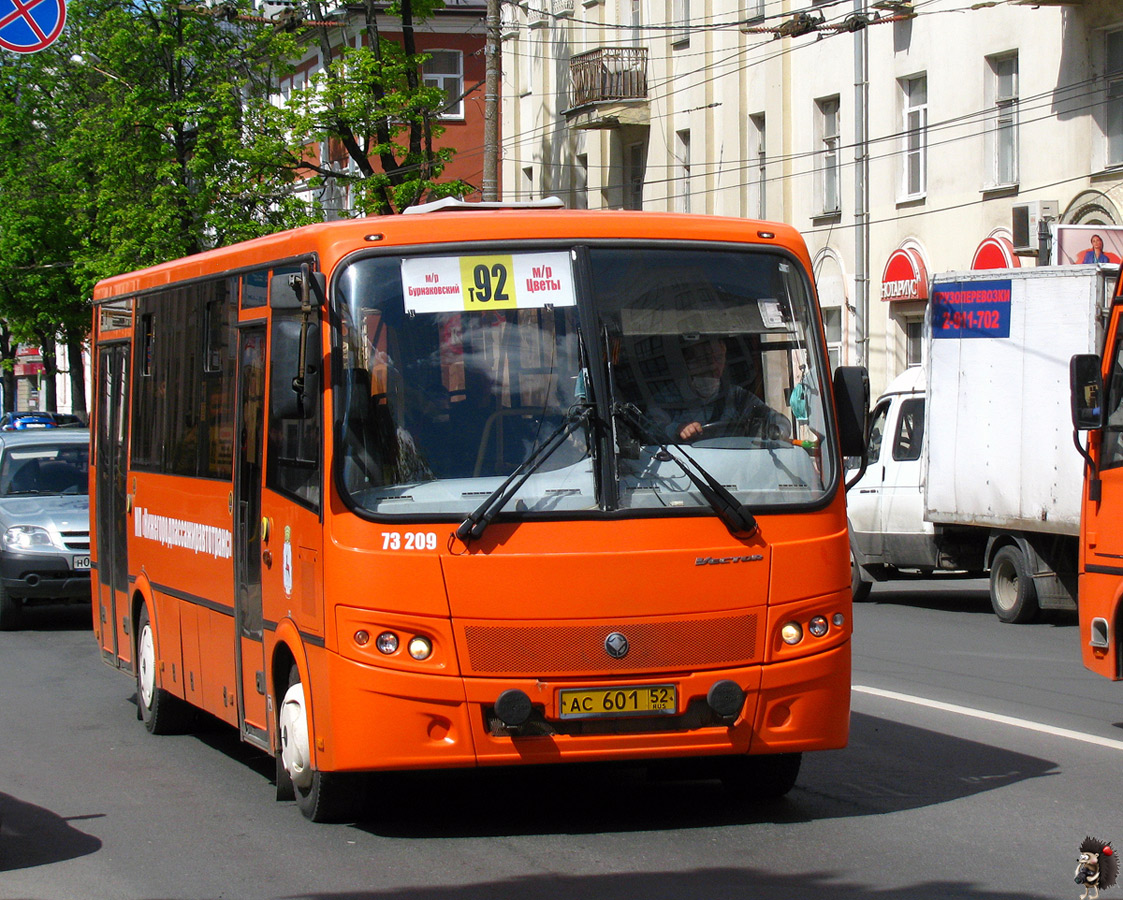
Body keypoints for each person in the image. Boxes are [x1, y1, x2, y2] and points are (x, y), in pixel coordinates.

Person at [650, 337, 790, 443]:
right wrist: (677, 429)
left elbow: (778, 420)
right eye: (705, 359)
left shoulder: (737, 397)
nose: (714, 366)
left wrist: (777, 432)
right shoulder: (668, 398)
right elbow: (647, 429)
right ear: (688, 363)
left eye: (718, 358)